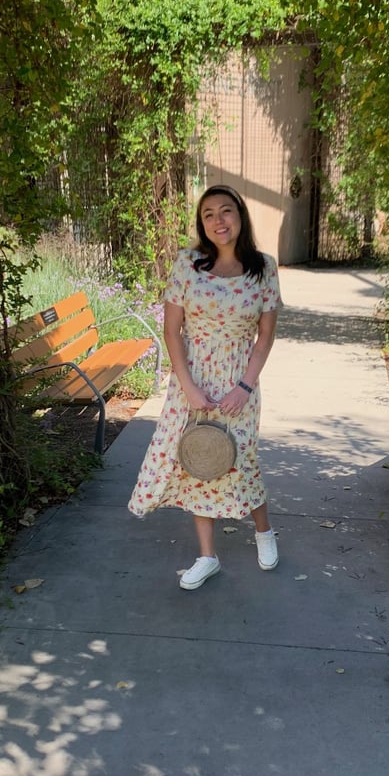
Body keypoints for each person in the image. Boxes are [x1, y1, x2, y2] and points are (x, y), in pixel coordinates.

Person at [128, 184, 282, 590]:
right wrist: (189, 388)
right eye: (209, 214)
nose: (218, 220)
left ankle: (264, 531)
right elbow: (172, 332)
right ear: (202, 223)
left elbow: (265, 337)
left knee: (240, 457)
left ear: (240, 215)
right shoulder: (187, 264)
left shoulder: (264, 268)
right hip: (193, 379)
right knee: (198, 458)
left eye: (226, 211)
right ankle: (207, 556)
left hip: (239, 380)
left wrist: (244, 387)